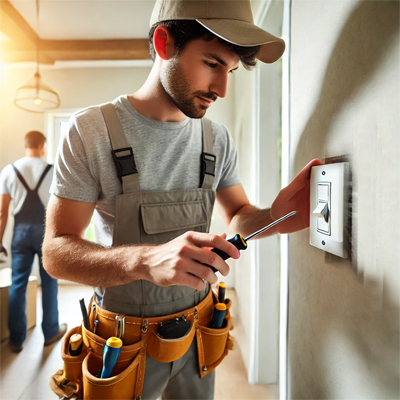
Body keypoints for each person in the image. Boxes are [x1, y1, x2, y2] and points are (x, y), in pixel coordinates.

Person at [43, 0, 322, 398]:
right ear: (163, 42)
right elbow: (55, 253)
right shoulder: (91, 131)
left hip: (197, 333)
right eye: (211, 63)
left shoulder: (217, 140)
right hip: (122, 346)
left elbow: (238, 216)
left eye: (229, 70)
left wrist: (275, 217)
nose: (222, 89)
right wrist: (141, 260)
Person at [0, 131, 67, 353]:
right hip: (45, 234)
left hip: (20, 234)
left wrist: (0, 241)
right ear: (42, 146)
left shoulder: (8, 171)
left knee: (17, 284)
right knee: (49, 282)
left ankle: (17, 339)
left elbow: (2, 212)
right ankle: (50, 332)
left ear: (25, 144)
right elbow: (60, 208)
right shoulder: (52, 170)